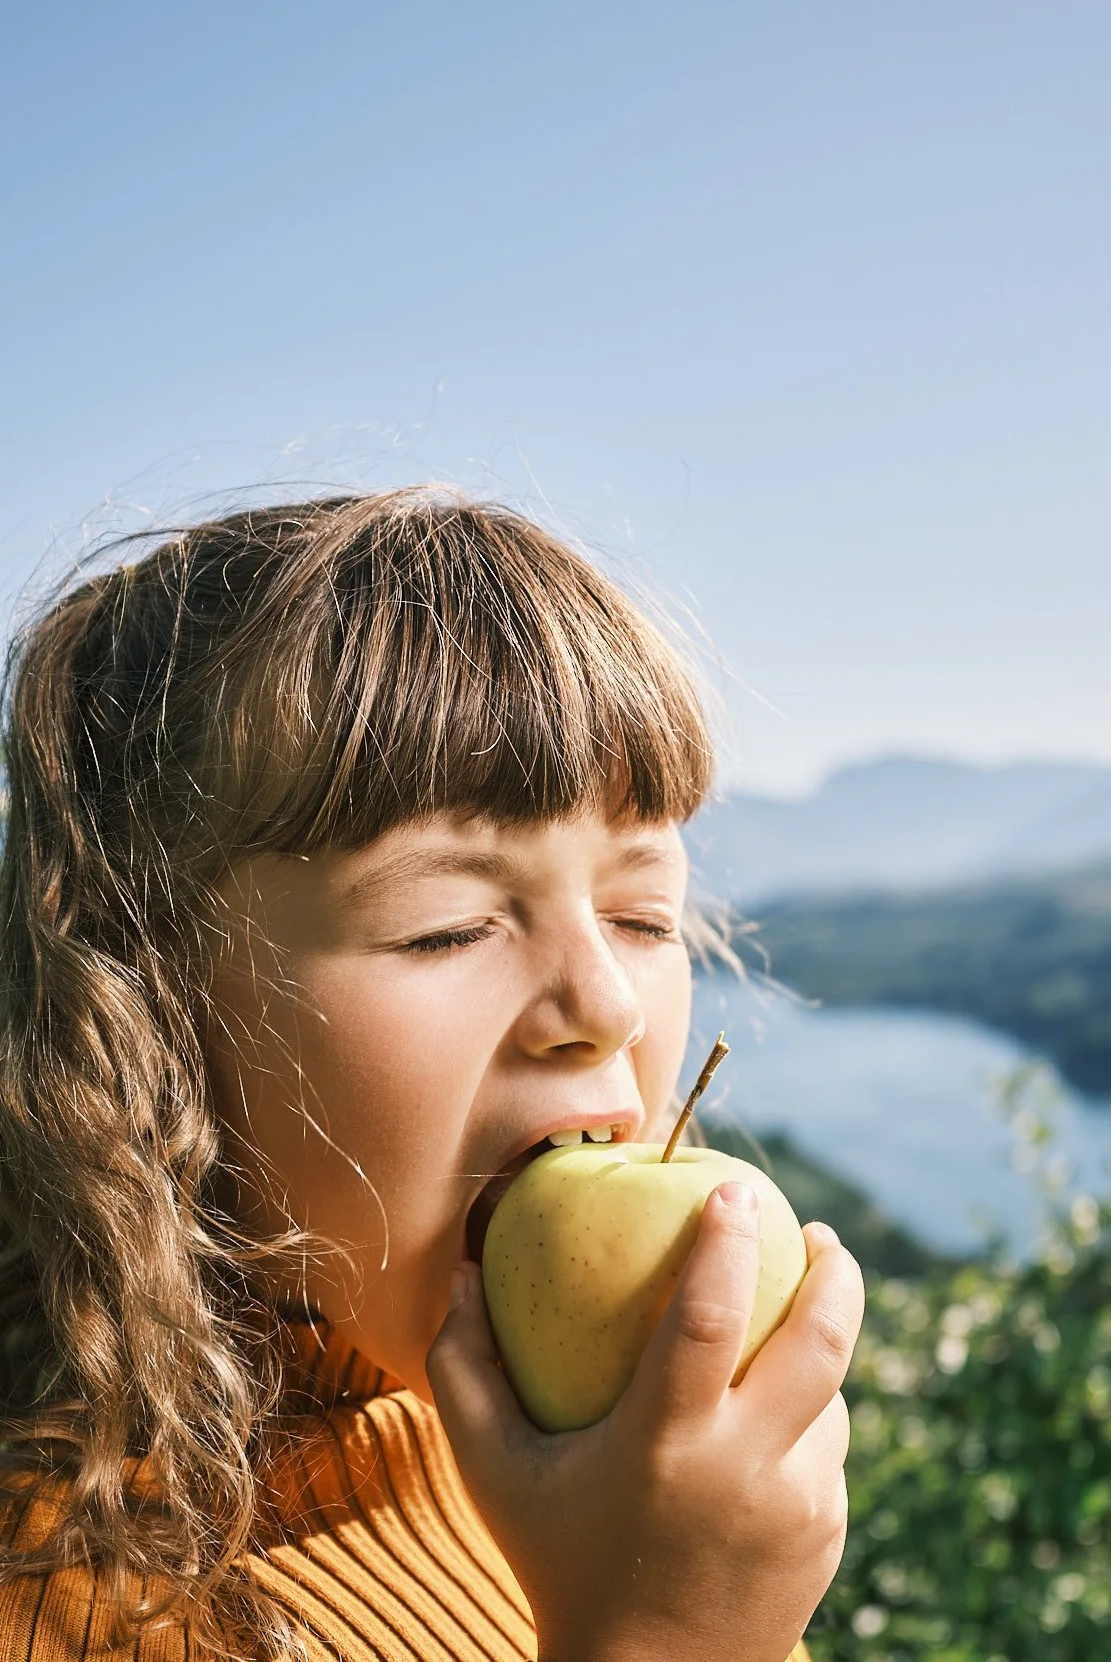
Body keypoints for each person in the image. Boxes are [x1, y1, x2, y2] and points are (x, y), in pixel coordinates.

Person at [0, 491, 864, 1661]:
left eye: (644, 913)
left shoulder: (609, 1464)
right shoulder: (69, 1599)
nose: (605, 1003)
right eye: (446, 927)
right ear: (140, 1009)